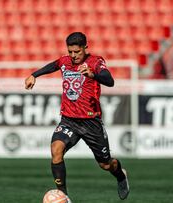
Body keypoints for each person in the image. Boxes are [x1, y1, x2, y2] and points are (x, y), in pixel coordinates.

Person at [24, 32, 130, 200]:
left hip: (91, 122)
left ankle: (120, 175)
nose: (73, 55)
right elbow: (53, 65)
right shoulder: (65, 61)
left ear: (85, 48)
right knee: (56, 150)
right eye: (70, 51)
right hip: (69, 120)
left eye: (77, 52)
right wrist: (34, 75)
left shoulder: (95, 62)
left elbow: (110, 80)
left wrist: (92, 75)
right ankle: (64, 196)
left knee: (106, 164)